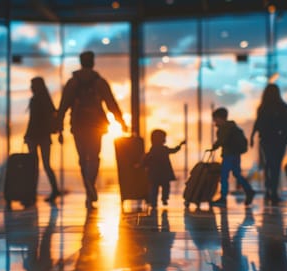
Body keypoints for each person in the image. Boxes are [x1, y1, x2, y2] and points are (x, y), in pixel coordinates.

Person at [57, 50, 128, 209]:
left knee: (83, 159)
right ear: (93, 62)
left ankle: (88, 187)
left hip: (78, 123)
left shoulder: (72, 82)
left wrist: (59, 127)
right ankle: (91, 185)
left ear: (81, 62)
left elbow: (63, 106)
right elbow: (111, 104)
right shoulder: (100, 82)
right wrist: (121, 122)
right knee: (94, 157)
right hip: (97, 124)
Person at [250, 84, 287, 204]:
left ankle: (268, 190)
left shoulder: (263, 107)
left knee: (268, 165)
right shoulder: (283, 107)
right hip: (280, 140)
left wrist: (252, 136)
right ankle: (273, 191)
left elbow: (258, 123)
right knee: (276, 166)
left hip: (266, 140)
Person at [24, 77, 62, 204]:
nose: (31, 88)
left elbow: (32, 121)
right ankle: (54, 189)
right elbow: (53, 117)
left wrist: (27, 135)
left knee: (33, 166)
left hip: (34, 136)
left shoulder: (35, 100)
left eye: (32, 85)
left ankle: (31, 193)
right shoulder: (47, 101)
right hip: (44, 136)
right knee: (46, 165)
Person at [208, 107, 255, 207]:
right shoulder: (233, 127)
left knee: (224, 176)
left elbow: (222, 140)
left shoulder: (224, 128)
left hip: (228, 155)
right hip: (236, 154)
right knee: (237, 174)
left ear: (220, 118)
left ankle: (223, 198)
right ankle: (249, 190)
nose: (214, 122)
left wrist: (214, 147)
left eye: (215, 119)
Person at [142, 129, 185, 209]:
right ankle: (164, 198)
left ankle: (153, 202)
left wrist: (141, 165)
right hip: (164, 174)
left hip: (154, 174)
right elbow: (174, 150)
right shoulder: (164, 149)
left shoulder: (152, 150)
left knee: (154, 189)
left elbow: (146, 159)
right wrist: (180, 145)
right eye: (164, 138)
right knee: (166, 187)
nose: (165, 139)